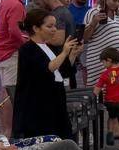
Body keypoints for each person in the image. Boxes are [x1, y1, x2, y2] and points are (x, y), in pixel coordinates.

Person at [12, 9, 79, 141]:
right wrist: (64, 53)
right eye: (49, 26)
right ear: (36, 28)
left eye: (54, 26)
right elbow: (47, 68)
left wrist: (72, 54)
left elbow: (63, 71)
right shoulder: (28, 49)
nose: (54, 29)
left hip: (54, 100)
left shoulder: (48, 47)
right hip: (39, 105)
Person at [0, 0, 35, 98]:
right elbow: (14, 29)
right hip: (11, 51)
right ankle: (17, 116)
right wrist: (25, 45)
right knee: (14, 90)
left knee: (6, 89)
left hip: (2, 49)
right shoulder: (17, 5)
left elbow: (2, 25)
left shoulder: (6, 2)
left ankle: (9, 117)